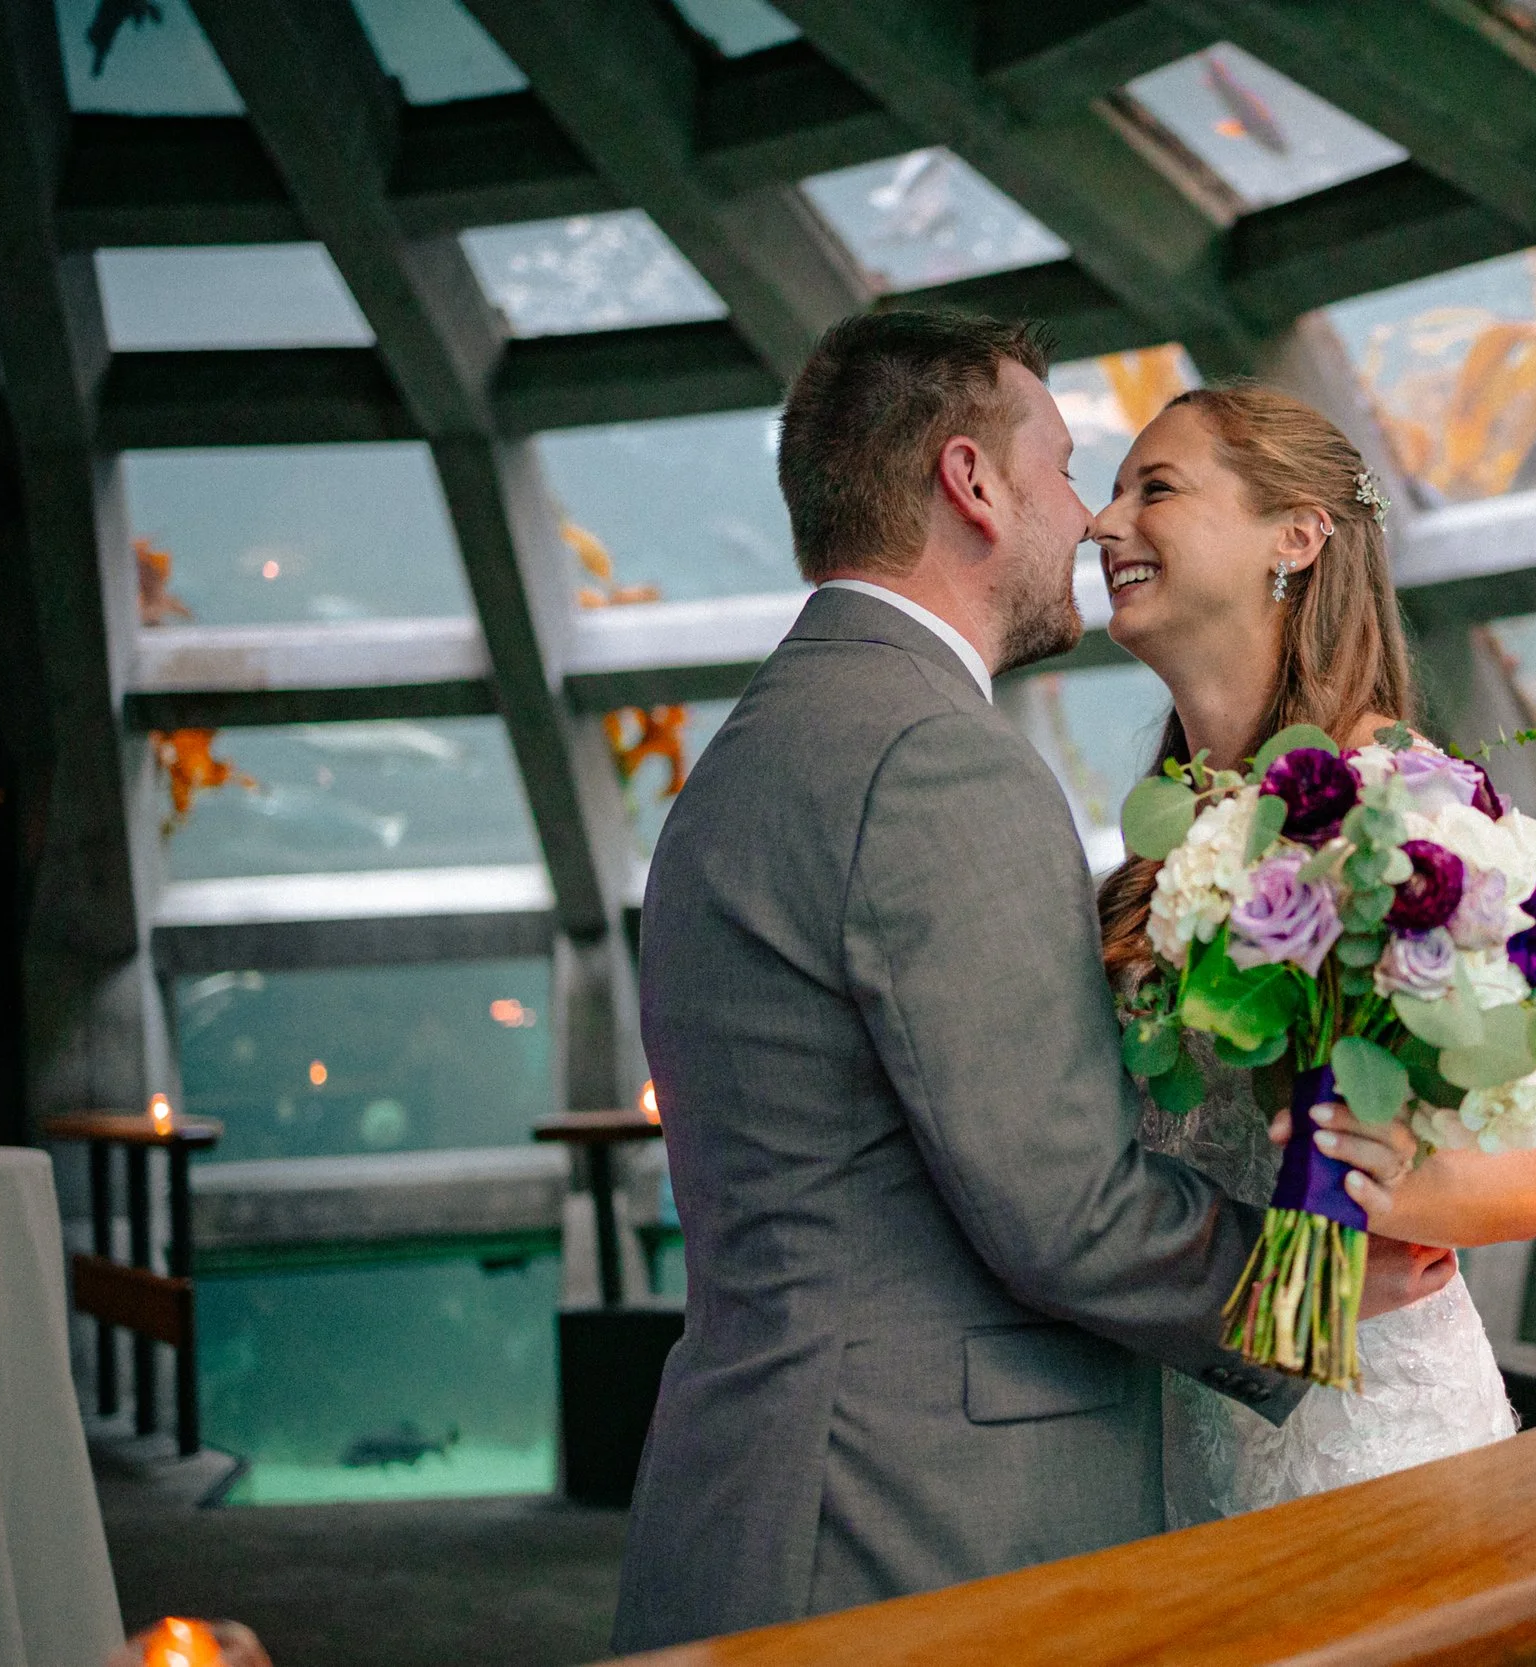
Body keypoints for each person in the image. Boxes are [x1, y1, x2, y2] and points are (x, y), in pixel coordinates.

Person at [610, 313, 1450, 1651]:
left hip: (768, 1480)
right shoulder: (935, 759)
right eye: (1067, 470)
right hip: (903, 1521)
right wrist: (1312, 1286)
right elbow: (1061, 1204)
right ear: (973, 482)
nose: (1091, 517)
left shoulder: (764, 741)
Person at [1091, 384, 1536, 1525]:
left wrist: (1376, 1181)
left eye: (1152, 488)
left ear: (1295, 536)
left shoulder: (1409, 813)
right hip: (1188, 1428)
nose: (1102, 525)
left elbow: (1526, 1176)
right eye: (1111, 493)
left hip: (1371, 1446)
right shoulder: (1164, 828)